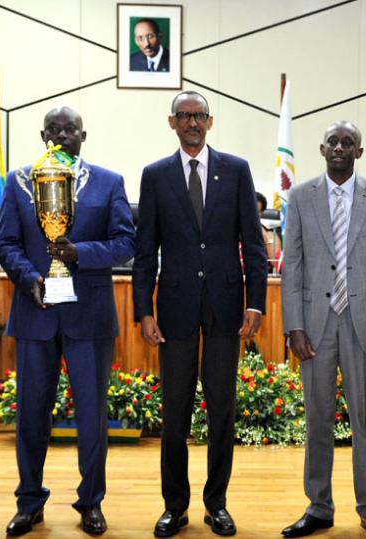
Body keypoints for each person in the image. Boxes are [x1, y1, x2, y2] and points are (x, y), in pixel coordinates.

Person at [132, 90, 267, 537]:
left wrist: (255, 302)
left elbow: (253, 243)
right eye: (184, 115)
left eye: (199, 115)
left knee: (221, 410)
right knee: (175, 412)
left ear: (210, 122)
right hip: (174, 308)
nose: (192, 122)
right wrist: (143, 311)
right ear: (171, 122)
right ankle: (175, 506)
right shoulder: (155, 175)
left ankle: (216, 504)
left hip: (227, 307)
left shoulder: (236, 170)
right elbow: (145, 251)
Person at [0, 106, 135, 536]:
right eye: (53, 130)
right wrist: (29, 277)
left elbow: (126, 243)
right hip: (35, 312)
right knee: (30, 416)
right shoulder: (19, 181)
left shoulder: (109, 182)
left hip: (88, 317)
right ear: (43, 136)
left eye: (69, 129)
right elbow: (6, 243)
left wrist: (81, 253)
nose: (61, 136)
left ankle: (91, 501)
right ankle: (29, 501)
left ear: (83, 135)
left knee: (92, 416)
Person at [280, 121, 366, 539]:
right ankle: (319, 507)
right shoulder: (300, 196)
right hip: (315, 323)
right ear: (322, 148)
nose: (340, 148)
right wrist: (293, 325)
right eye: (333, 141)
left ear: (358, 152)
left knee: (365, 419)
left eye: (348, 143)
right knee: (318, 419)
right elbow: (292, 266)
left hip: (363, 324)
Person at [256, 191, 282, 272]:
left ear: (261, 213)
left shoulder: (269, 233)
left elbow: (278, 264)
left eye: (256, 211)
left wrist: (265, 237)